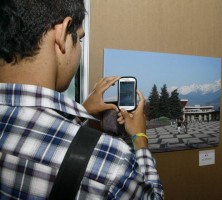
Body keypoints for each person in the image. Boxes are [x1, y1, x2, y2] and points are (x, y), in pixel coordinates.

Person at [0, 0, 164, 199]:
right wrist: (140, 138)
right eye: (80, 39)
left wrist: (83, 111)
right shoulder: (110, 162)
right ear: (62, 33)